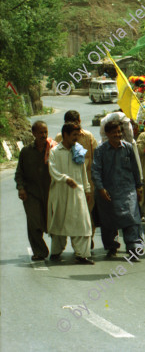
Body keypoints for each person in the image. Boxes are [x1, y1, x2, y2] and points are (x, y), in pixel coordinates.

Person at [92, 121, 144, 260]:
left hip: (128, 190)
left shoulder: (127, 148)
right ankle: (111, 246)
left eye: (119, 132)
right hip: (108, 191)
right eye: (114, 132)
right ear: (107, 134)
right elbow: (96, 171)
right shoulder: (100, 150)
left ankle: (134, 247)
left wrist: (139, 186)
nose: (118, 134)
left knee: (132, 218)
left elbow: (135, 169)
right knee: (108, 221)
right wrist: (101, 188)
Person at [47, 122, 94, 264]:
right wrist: (65, 179)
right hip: (60, 193)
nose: (77, 138)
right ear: (65, 135)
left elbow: (82, 172)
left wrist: (86, 189)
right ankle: (55, 252)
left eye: (78, 135)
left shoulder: (78, 150)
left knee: (82, 223)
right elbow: (52, 170)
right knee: (59, 222)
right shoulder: (55, 152)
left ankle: (82, 254)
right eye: (74, 135)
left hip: (77, 192)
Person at [54, 110, 98, 246]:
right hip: (67, 183)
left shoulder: (88, 136)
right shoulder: (59, 138)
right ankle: (67, 242)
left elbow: (95, 157)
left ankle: (87, 238)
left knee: (87, 212)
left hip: (87, 181)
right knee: (68, 212)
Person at [15, 121, 53, 260]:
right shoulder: (26, 151)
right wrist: (21, 188)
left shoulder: (52, 149)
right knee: (34, 223)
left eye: (45, 132)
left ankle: (57, 250)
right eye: (40, 132)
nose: (43, 135)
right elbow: (19, 173)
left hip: (50, 193)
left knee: (53, 223)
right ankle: (40, 251)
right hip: (31, 194)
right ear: (34, 134)